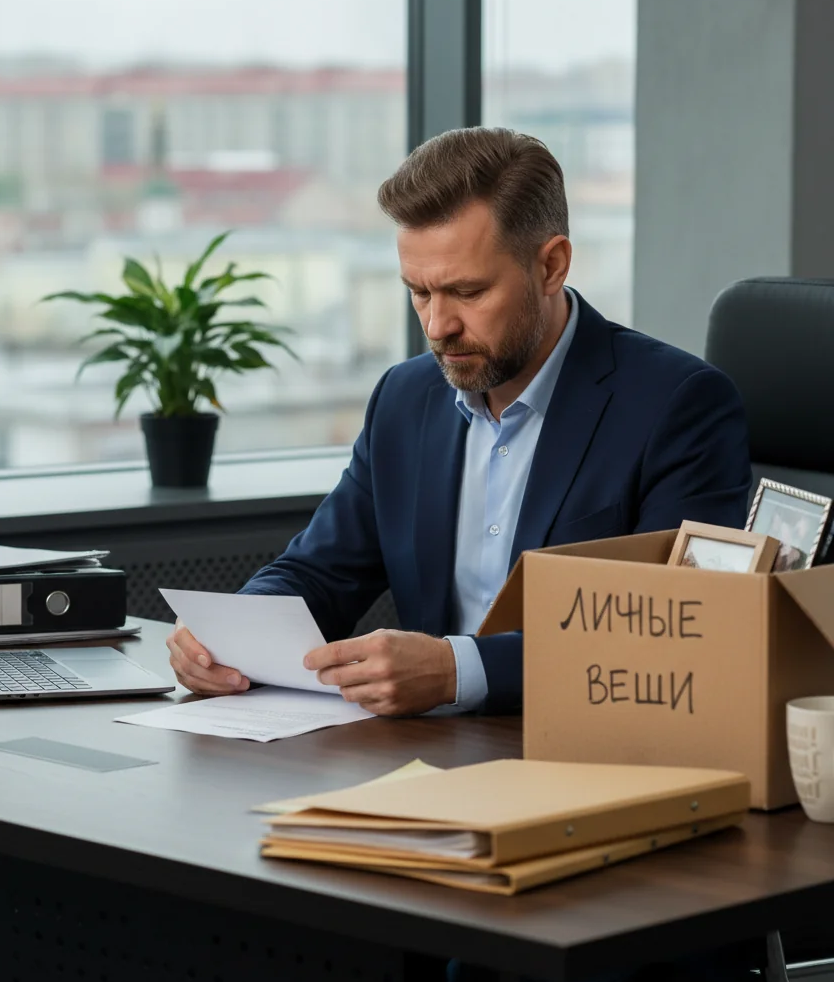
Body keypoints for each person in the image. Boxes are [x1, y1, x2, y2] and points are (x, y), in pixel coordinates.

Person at [168, 126, 752, 720]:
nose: (437, 325)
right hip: (424, 756)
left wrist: (457, 671)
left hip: (588, 748)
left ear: (551, 266)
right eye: (418, 292)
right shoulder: (404, 397)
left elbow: (678, 634)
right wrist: (226, 637)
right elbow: (320, 572)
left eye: (467, 291)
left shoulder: (676, 406)